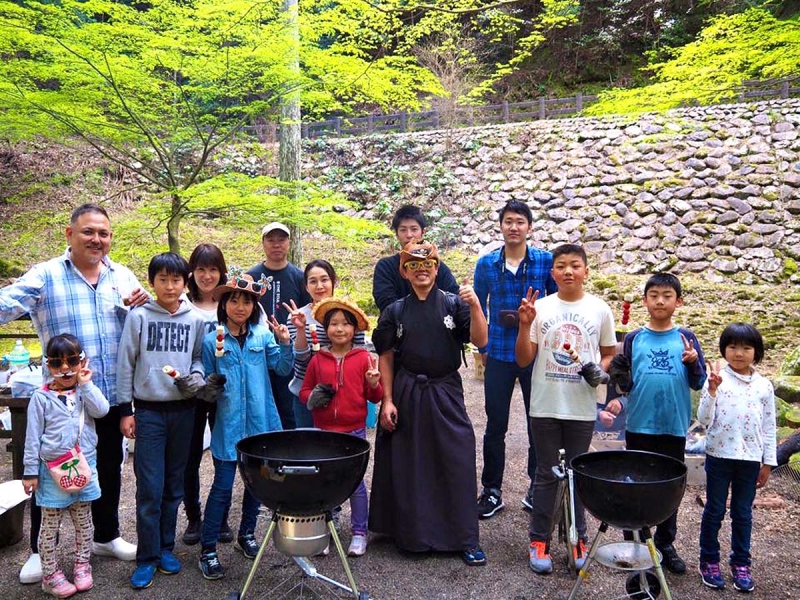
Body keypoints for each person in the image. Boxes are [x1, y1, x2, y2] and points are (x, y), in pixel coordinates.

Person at [0, 203, 145, 583]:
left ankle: (106, 536)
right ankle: (39, 551)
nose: (97, 239)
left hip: (107, 396)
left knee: (108, 468)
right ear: (70, 234)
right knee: (51, 471)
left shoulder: (122, 276)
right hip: (61, 401)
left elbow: (142, 320)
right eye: (88, 232)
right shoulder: (46, 275)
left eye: (104, 233)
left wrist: (143, 304)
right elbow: (7, 303)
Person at [369, 240, 489, 566]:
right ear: (405, 272)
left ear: (436, 269)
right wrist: (387, 400)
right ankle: (411, 535)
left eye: (427, 265)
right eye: (414, 265)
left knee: (457, 457)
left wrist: (476, 306)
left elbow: (480, 340)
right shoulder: (395, 311)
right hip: (407, 389)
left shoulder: (454, 304)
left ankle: (464, 537)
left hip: (445, 389)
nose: (421, 270)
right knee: (409, 462)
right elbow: (386, 356)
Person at [515, 243, 616, 575]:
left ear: (586, 271)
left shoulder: (600, 309)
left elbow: (609, 353)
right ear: (552, 272)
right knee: (546, 473)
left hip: (581, 406)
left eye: (575, 265)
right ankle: (539, 540)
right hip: (545, 404)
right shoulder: (540, 307)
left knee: (577, 474)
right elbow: (523, 359)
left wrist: (600, 370)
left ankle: (577, 539)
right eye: (561, 266)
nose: (568, 271)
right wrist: (524, 324)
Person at [607, 272, 707, 575]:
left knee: (669, 487)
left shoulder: (686, 338)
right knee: (636, 482)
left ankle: (665, 543)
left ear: (679, 301)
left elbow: (698, 382)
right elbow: (625, 384)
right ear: (644, 301)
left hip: (673, 425)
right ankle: (636, 540)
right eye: (654, 296)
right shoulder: (634, 338)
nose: (660, 301)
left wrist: (693, 362)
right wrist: (619, 374)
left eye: (667, 296)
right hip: (639, 424)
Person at [117, 253, 206, 589]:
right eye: (163, 279)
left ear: (185, 282)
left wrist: (195, 376)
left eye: (176, 280)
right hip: (149, 411)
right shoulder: (139, 316)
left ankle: (166, 548)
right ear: (151, 281)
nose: (170, 286)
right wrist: (125, 410)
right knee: (149, 487)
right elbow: (126, 362)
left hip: (184, 410)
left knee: (173, 485)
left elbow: (198, 357)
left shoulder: (195, 319)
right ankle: (147, 557)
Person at [197, 269, 293, 581]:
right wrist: (210, 386)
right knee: (222, 488)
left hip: (261, 425)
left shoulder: (263, 336)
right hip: (228, 427)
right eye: (234, 300)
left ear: (254, 307)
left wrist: (286, 343)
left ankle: (247, 534)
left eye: (247, 302)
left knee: (257, 485)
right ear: (223, 304)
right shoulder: (211, 341)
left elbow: (282, 368)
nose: (241, 307)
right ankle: (208, 549)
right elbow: (207, 386)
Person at [473, 200, 557, 519]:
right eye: (508, 221)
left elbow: (556, 304)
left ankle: (537, 486)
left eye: (520, 221)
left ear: (529, 227)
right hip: (497, 351)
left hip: (534, 352)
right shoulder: (486, 264)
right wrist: (483, 348)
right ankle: (491, 490)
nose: (514, 227)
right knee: (495, 424)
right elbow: (478, 308)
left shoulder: (545, 261)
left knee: (538, 423)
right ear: (501, 226)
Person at [23, 334, 110, 598]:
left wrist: (86, 384)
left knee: (84, 521)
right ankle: (50, 574)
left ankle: (82, 564)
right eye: (56, 363)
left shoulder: (84, 392)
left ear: (82, 361)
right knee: (50, 525)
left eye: (72, 361)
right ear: (47, 365)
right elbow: (32, 436)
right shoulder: (41, 398)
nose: (65, 368)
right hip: (52, 470)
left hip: (84, 464)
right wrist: (30, 471)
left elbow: (102, 410)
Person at [696, 323, 776, 592]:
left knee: (743, 513)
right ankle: (709, 560)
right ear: (724, 350)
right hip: (719, 455)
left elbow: (769, 426)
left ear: (757, 352)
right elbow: (703, 419)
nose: (738, 353)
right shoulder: (717, 378)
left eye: (746, 348)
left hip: (750, 459)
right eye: (732, 347)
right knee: (715, 510)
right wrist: (712, 390)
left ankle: (741, 563)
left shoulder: (764, 386)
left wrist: (768, 462)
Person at [299, 297, 382, 557]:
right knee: (324, 482)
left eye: (345, 324)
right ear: (325, 328)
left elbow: (375, 396)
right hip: (324, 432)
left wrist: (373, 383)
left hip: (354, 432)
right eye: (333, 323)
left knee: (355, 484)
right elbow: (304, 391)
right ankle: (325, 530)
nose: (339, 329)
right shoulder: (318, 360)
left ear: (354, 329)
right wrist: (312, 397)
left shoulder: (364, 358)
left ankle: (359, 532)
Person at [181, 243, 234, 546]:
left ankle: (221, 515)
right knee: (189, 457)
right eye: (201, 269)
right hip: (191, 392)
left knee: (223, 454)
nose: (207, 275)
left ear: (221, 272)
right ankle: (193, 516)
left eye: (213, 269)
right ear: (192, 273)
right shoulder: (181, 303)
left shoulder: (231, 302)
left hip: (224, 391)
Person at [285, 260, 366, 429]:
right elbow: (301, 359)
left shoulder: (349, 312)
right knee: (307, 442)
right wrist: (301, 329)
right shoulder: (297, 316)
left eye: (324, 279)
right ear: (306, 287)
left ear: (333, 282)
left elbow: (360, 351)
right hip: (305, 393)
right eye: (313, 281)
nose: (319, 286)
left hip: (342, 393)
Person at [247, 222, 311, 430]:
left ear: (289, 243)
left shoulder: (299, 277)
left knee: (288, 409)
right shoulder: (251, 277)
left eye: (281, 240)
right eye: (271, 240)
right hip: (257, 352)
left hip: (290, 352)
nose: (276, 245)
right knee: (259, 407)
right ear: (263, 243)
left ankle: (289, 446)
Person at [372, 204, 460, 312]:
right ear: (396, 234)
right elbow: (385, 302)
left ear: (423, 232)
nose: (409, 235)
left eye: (414, 229)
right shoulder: (386, 267)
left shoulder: (435, 266)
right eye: (403, 230)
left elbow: (454, 297)